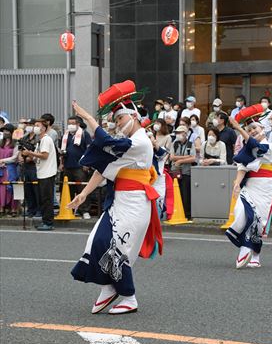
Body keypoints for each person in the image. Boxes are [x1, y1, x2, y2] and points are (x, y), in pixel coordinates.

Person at [68, 80, 163, 315]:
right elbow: (104, 169)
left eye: (120, 119)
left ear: (134, 116)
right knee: (96, 241)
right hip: (120, 201)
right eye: (116, 120)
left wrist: (89, 119)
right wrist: (83, 194)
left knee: (116, 247)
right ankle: (109, 288)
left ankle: (128, 297)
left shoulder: (140, 141)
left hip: (134, 203)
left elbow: (107, 143)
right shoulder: (130, 143)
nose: (118, 124)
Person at [225, 117, 272, 268]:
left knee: (258, 219)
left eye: (255, 128)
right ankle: (245, 245)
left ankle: (255, 254)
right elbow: (242, 166)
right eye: (249, 130)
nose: (252, 131)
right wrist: (237, 183)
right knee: (241, 211)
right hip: (250, 184)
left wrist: (238, 127)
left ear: (263, 129)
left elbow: (257, 147)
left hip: (264, 185)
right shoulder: (247, 149)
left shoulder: (270, 146)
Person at [22, 119, 58, 231]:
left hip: (47, 173)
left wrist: (30, 153)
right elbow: (38, 157)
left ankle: (48, 223)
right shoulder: (40, 140)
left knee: (47, 199)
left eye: (37, 125)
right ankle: (45, 221)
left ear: (43, 128)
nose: (35, 127)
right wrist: (28, 154)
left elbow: (44, 155)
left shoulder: (46, 139)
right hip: (42, 173)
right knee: (43, 199)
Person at [60, 115, 92, 219]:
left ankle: (85, 210)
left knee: (82, 189)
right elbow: (62, 151)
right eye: (69, 123)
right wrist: (61, 163)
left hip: (80, 166)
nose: (70, 125)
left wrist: (87, 163)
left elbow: (89, 150)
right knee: (68, 188)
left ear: (78, 124)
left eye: (73, 123)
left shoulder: (84, 134)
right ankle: (70, 209)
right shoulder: (66, 135)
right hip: (67, 166)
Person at [169, 125, 196, 220]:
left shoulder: (190, 144)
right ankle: (176, 212)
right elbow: (171, 157)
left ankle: (187, 215)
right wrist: (185, 157)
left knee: (186, 194)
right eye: (177, 133)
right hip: (175, 171)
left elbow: (193, 158)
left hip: (186, 172)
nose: (178, 135)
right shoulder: (174, 144)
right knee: (176, 192)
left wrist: (180, 161)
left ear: (185, 134)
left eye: (180, 133)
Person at [18, 118, 40, 218]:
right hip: (25, 166)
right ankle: (30, 209)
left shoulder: (39, 137)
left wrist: (29, 158)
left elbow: (38, 152)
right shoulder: (24, 137)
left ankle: (39, 210)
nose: (29, 126)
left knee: (36, 189)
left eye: (32, 124)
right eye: (28, 124)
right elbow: (20, 149)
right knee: (27, 188)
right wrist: (20, 158)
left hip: (34, 166)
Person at [0, 124, 19, 216]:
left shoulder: (15, 143)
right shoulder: (0, 143)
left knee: (11, 188)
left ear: (11, 132)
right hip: (1, 169)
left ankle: (13, 208)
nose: (5, 132)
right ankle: (2, 208)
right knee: (2, 188)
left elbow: (15, 157)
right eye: (4, 131)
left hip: (11, 169)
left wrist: (3, 160)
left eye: (7, 131)